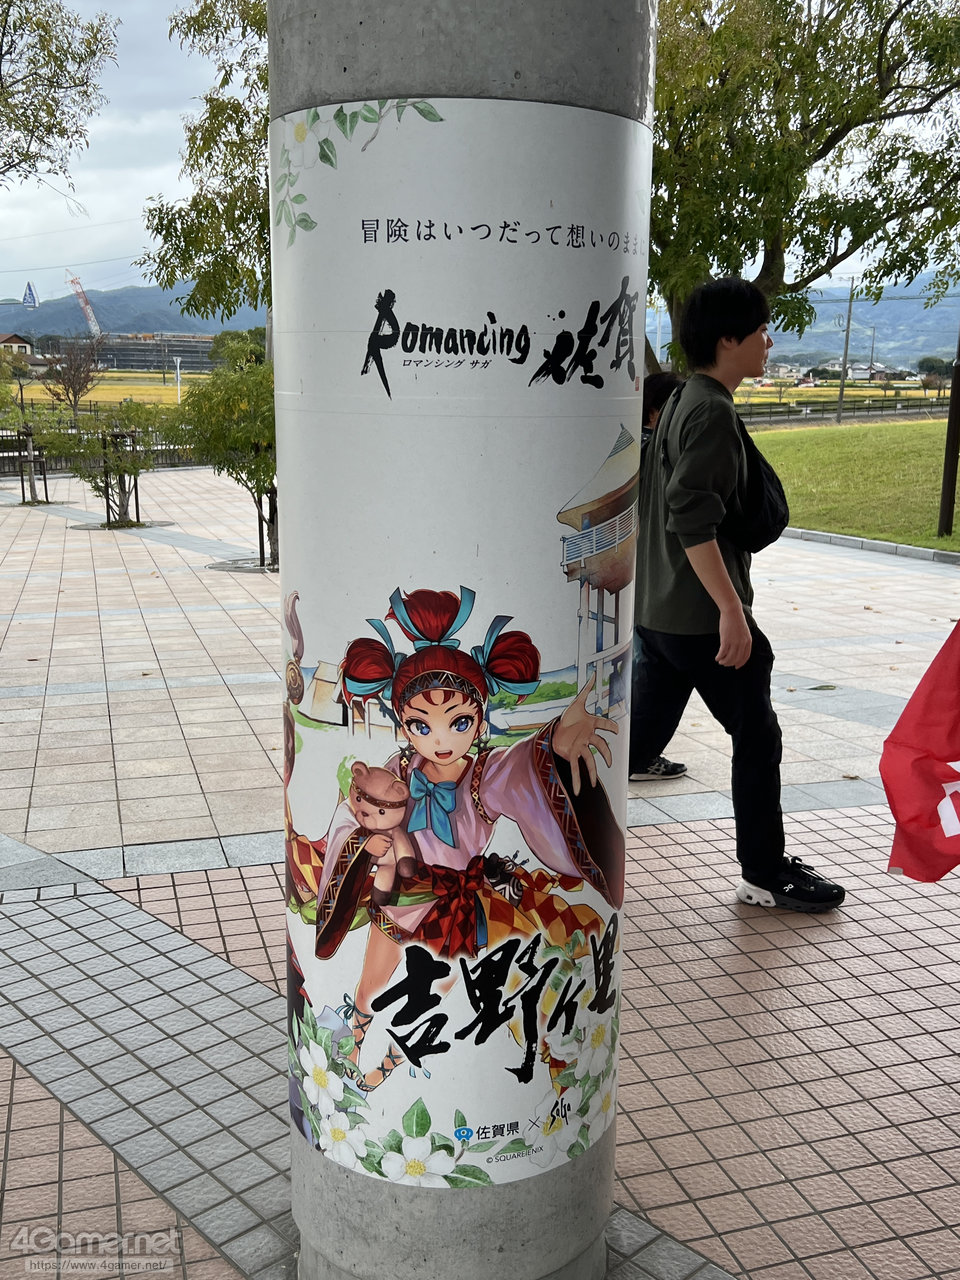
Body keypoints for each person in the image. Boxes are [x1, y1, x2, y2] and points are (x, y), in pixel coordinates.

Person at [315, 586, 625, 1087]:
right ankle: (351, 1044)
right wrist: (365, 842)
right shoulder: (399, 769)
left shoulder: (483, 776)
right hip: (400, 896)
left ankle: (383, 1070)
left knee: (433, 1000)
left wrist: (554, 741)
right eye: (421, 725)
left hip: (453, 905)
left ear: (479, 721)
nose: (441, 740)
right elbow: (357, 812)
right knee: (371, 987)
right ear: (403, 726)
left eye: (458, 722)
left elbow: (524, 765)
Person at [631, 278, 845, 912]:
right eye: (760, 332)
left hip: (660, 612)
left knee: (636, 741)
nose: (768, 343)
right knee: (758, 736)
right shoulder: (711, 411)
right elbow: (690, 517)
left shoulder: (681, 399)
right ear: (728, 340)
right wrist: (731, 610)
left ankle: (548, 826)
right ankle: (765, 872)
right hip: (698, 616)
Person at [631, 369, 688, 782]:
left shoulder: (631, 448)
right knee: (653, 677)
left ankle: (637, 755)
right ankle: (639, 756)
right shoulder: (658, 451)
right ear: (655, 411)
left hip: (636, 579)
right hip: (656, 581)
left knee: (649, 674)